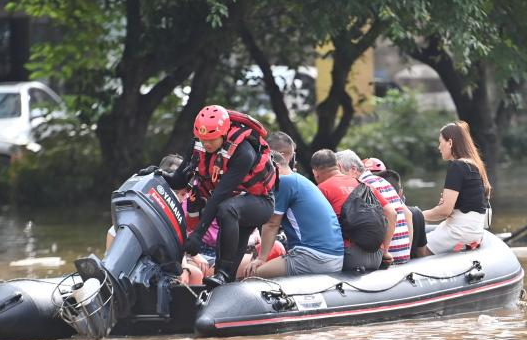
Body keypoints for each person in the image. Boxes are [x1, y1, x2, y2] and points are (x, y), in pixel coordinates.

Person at [164, 105, 276, 288]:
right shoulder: (197, 144)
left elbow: (219, 195)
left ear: (224, 134)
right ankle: (223, 280)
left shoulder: (243, 152)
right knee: (228, 212)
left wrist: (198, 235)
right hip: (232, 207)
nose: (206, 144)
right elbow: (179, 179)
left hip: (260, 203)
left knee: (227, 209)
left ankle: (223, 273)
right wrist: (159, 176)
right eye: (203, 139)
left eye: (212, 139)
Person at [247, 133, 344, 277]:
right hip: (335, 257)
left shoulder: (283, 182)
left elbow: (272, 224)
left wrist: (261, 258)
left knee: (252, 274)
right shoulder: (300, 180)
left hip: (313, 256)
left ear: (275, 165)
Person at [420, 120, 491, 254]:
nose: (439, 147)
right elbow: (463, 204)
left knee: (417, 250)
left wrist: (417, 216)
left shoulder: (457, 166)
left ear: (450, 143)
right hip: (473, 231)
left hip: (459, 231)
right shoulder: (475, 166)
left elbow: (444, 211)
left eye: (440, 142)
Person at [335, 150, 413, 265]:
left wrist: (385, 251)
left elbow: (391, 214)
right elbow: (408, 214)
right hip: (402, 255)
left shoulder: (361, 187)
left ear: (353, 169)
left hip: (388, 258)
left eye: (339, 173)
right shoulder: (383, 182)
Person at [311, 148, 383, 272]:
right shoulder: (365, 185)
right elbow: (392, 213)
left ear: (315, 172)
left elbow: (315, 227)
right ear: (338, 166)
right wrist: (385, 251)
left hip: (348, 257)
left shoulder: (321, 189)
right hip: (377, 256)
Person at [377, 168, 427, 259]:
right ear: (400, 191)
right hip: (408, 263)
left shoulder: (378, 215)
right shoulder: (416, 213)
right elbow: (422, 253)